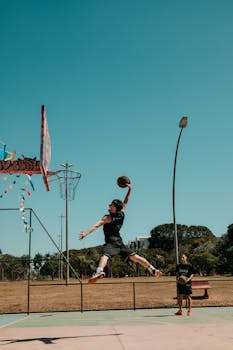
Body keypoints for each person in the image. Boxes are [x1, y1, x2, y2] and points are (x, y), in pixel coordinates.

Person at [79, 182, 162, 283]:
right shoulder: (121, 214)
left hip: (111, 243)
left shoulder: (107, 218)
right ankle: (153, 269)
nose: (109, 205)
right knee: (135, 257)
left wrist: (86, 233)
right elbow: (126, 202)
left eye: (111, 205)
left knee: (105, 256)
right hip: (119, 242)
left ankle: (99, 271)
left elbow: (96, 225)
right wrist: (129, 190)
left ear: (114, 208)